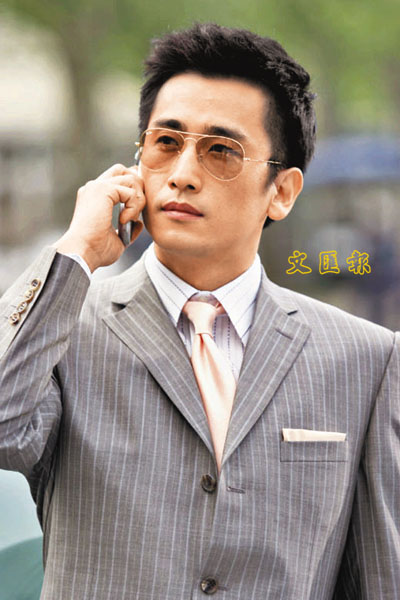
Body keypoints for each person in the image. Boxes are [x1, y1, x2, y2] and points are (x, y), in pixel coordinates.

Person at [0, 22, 399, 600]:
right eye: (166, 142)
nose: (183, 174)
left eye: (220, 151)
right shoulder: (66, 328)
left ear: (282, 191)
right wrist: (76, 252)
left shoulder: (366, 358)